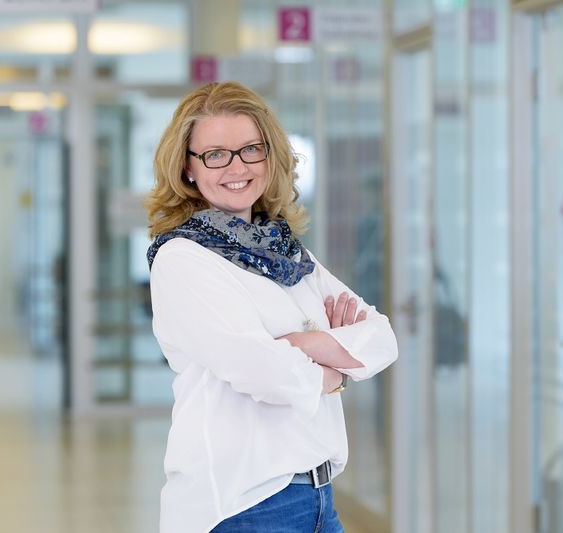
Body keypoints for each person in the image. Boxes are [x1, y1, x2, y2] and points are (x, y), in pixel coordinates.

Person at [145, 81, 398, 533]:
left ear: (270, 156)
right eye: (215, 154)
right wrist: (337, 366)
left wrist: (303, 344)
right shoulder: (182, 258)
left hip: (319, 497)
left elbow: (381, 338)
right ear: (187, 167)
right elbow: (264, 372)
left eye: (250, 150)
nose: (236, 167)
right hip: (245, 504)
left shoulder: (285, 250)